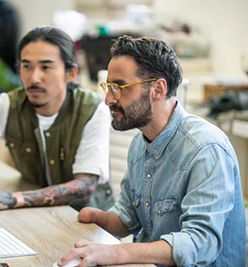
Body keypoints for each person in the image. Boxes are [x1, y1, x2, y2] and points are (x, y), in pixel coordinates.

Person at [57, 36, 246, 266]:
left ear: (157, 89)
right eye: (108, 87)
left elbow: (200, 243)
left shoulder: (206, 149)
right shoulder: (140, 142)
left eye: (118, 87)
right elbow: (127, 218)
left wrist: (115, 253)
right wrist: (95, 218)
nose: (108, 99)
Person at [0, 26, 114, 211]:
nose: (34, 78)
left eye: (45, 67)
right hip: (39, 214)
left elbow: (84, 187)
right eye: (26, 66)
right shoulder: (9, 105)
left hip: (89, 221)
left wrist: (13, 199)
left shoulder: (93, 110)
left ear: (71, 73)